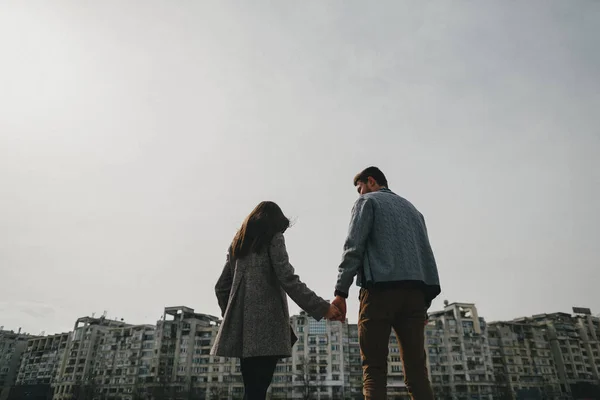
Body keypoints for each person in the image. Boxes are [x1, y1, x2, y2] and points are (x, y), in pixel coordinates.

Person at [211, 201, 341, 400]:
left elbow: (221, 287)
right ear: (275, 223)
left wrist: (234, 320)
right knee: (258, 391)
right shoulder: (273, 237)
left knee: (252, 392)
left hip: (244, 333)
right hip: (268, 328)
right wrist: (323, 308)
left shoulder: (238, 243)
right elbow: (287, 278)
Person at [331, 167, 441, 400]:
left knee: (374, 370)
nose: (359, 194)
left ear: (370, 181)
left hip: (379, 292)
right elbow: (426, 255)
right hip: (415, 296)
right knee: (417, 373)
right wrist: (426, 302)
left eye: (359, 188)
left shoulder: (367, 202)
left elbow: (354, 247)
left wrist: (341, 291)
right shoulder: (414, 211)